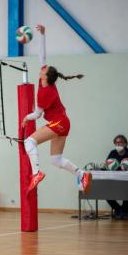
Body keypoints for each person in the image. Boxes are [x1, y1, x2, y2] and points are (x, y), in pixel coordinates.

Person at [22, 24, 92, 195]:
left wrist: (26, 118)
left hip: (59, 123)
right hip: (63, 122)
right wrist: (43, 35)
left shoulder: (46, 93)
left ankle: (36, 174)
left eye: (44, 69)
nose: (42, 67)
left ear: (45, 76)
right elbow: (42, 56)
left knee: (29, 142)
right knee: (56, 160)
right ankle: (82, 174)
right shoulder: (44, 81)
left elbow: (37, 114)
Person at [106, 134, 128, 219]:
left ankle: (125, 209)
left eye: (120, 142)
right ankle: (118, 209)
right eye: (116, 143)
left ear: (125, 144)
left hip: (127, 181)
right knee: (105, 191)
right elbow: (107, 164)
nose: (118, 144)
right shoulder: (112, 153)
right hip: (114, 180)